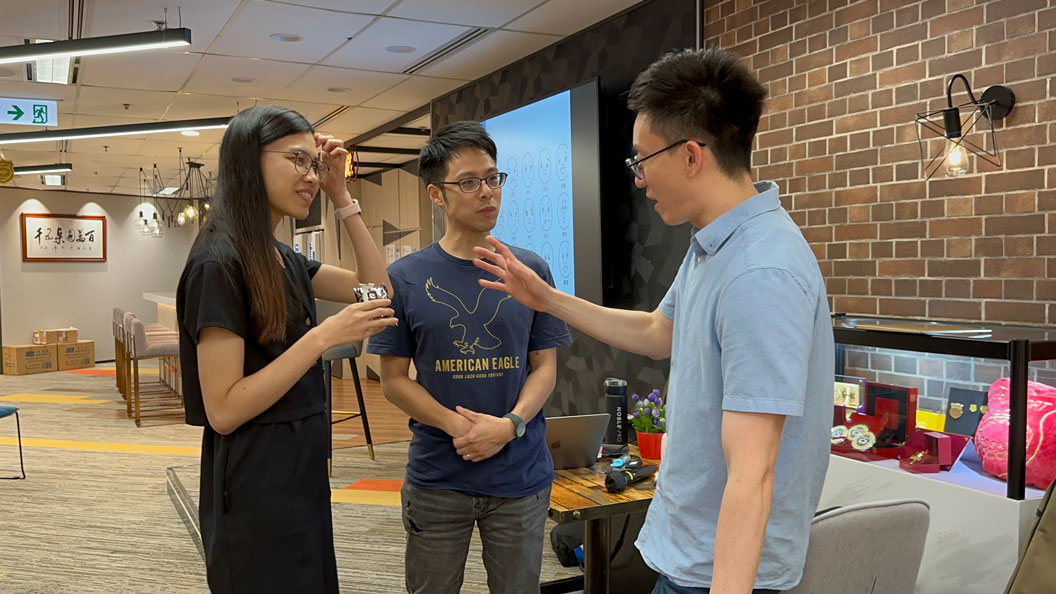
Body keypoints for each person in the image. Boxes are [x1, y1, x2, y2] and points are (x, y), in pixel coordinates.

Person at [472, 47, 834, 594]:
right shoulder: (716, 243)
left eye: (642, 159)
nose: (638, 178)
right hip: (689, 550)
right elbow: (656, 332)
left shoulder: (760, 271)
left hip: (721, 572)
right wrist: (546, 298)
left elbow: (753, 472)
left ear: (690, 156)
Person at [176, 105, 397, 593]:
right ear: (248, 161)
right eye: (298, 159)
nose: (311, 175)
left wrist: (342, 196)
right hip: (254, 476)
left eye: (314, 163)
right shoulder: (218, 262)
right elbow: (224, 410)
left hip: (300, 466)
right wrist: (320, 337)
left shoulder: (277, 255)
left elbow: (377, 290)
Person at [366, 121, 572, 594]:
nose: (487, 192)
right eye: (469, 182)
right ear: (436, 195)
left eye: (493, 178)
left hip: (519, 476)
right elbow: (393, 379)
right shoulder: (406, 277)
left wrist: (510, 425)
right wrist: (460, 427)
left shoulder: (529, 269)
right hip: (439, 477)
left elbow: (544, 367)